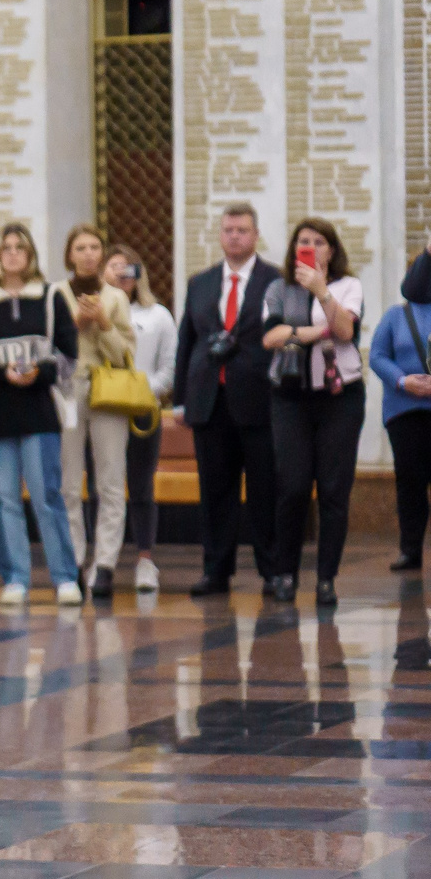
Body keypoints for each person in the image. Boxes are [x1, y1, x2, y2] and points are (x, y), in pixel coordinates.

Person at [177, 205, 284, 597]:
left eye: (242, 230)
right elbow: (186, 342)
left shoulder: (275, 281)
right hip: (210, 400)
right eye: (228, 230)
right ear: (220, 235)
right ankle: (216, 571)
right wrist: (181, 400)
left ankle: (272, 571)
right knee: (215, 491)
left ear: (256, 235)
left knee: (263, 489)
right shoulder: (200, 283)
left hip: (260, 399)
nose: (234, 236)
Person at [0, 224, 80, 605]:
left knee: (46, 494)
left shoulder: (49, 297)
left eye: (20, 247)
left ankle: (65, 577)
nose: (13, 253)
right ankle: (15, 577)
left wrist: (39, 371)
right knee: (4, 498)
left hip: (38, 412)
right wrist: (2, 373)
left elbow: (69, 355)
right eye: (6, 248)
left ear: (31, 254)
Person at [261, 217, 365, 606]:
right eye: (303, 241)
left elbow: (346, 331)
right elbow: (271, 336)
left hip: (340, 397)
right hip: (290, 398)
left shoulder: (348, 286)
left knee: (334, 490)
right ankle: (285, 573)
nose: (311, 247)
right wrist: (315, 332)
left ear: (332, 250)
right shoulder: (279, 288)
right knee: (293, 487)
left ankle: (326, 579)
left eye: (319, 241)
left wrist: (322, 292)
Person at [55, 224, 136, 601]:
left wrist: (103, 324)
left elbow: (125, 355)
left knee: (110, 480)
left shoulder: (116, 297)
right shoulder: (56, 293)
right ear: (69, 254)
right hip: (68, 392)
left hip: (107, 390)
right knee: (69, 483)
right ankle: (73, 560)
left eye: (94, 247)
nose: (88, 254)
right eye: (80, 248)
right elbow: (50, 345)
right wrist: (77, 324)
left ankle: (104, 564)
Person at [106, 244, 174, 591]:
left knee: (141, 486)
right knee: (105, 486)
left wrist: (144, 392)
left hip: (143, 410)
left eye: (127, 268)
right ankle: (102, 558)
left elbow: (168, 368)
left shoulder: (157, 315)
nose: (121, 274)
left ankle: (145, 560)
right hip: (104, 409)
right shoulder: (95, 310)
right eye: (114, 267)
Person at [371, 238, 431, 572]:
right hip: (404, 411)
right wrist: (402, 381)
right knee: (410, 482)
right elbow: (378, 356)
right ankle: (410, 549)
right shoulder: (396, 316)